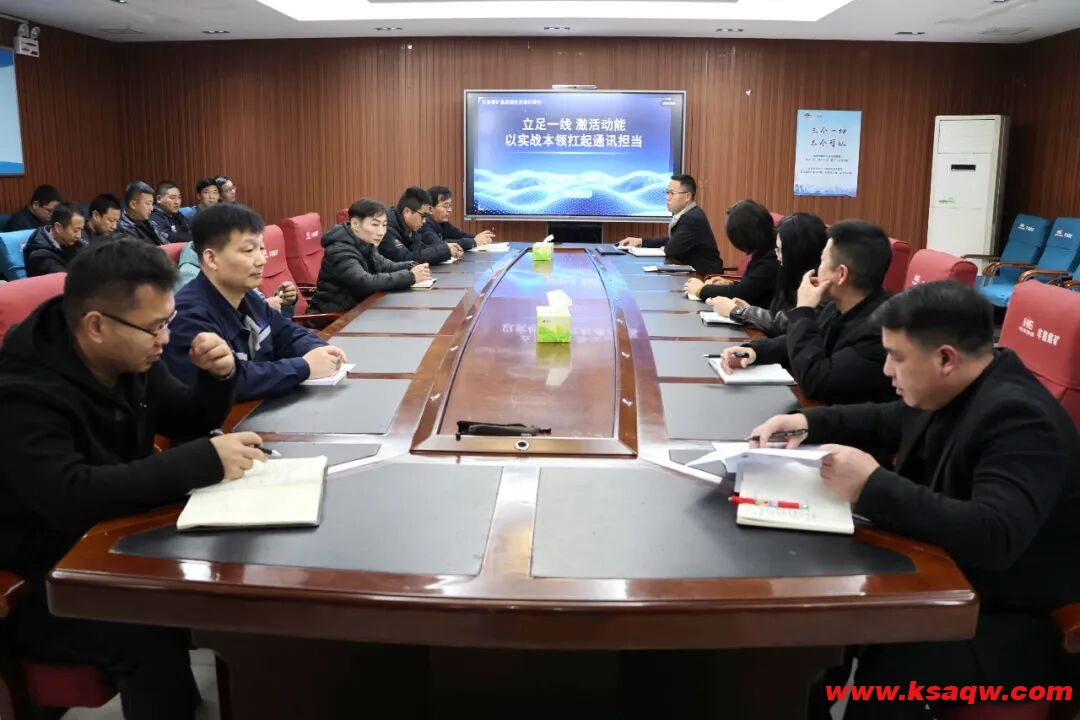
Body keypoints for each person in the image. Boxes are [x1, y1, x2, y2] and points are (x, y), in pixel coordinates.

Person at [750, 281, 1080, 720]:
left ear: (945, 358)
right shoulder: (963, 383)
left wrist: (871, 485)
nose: (887, 370)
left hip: (1008, 622)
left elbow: (994, 534)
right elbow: (887, 419)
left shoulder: (1020, 418)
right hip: (948, 579)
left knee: (879, 668)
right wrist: (807, 423)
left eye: (897, 357)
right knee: (829, 626)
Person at [0, 237, 266, 720]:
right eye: (154, 327)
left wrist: (218, 376)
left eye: (168, 321)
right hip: (45, 580)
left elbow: (187, 418)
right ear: (96, 326)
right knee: (147, 627)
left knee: (234, 579)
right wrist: (202, 461)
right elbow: (70, 495)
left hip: (116, 538)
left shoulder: (128, 356)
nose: (166, 339)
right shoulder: (21, 393)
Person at [165, 203, 345, 401]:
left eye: (261, 249)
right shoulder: (188, 315)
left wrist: (318, 349)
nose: (261, 260)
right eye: (249, 250)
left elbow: (286, 333)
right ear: (212, 259)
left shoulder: (247, 295)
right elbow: (232, 381)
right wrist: (305, 367)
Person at [719, 220, 895, 405]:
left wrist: (804, 309)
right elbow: (797, 341)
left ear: (841, 274)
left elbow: (816, 381)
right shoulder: (838, 306)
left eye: (823, 260)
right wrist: (754, 352)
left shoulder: (880, 331)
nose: (818, 268)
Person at [710, 212, 828, 337]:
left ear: (796, 252)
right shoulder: (790, 273)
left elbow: (787, 323)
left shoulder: (820, 285)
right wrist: (748, 310)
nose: (777, 256)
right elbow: (778, 316)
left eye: (780, 250)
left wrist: (739, 312)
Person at [310, 197, 431, 314]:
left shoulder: (365, 241)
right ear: (355, 224)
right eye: (375, 225)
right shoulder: (339, 250)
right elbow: (365, 283)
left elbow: (385, 265)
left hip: (359, 310)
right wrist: (410, 276)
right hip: (335, 319)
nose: (381, 232)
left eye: (384, 225)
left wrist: (410, 265)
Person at [617, 174, 725, 276]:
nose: (667, 198)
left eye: (672, 193)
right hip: (690, 273)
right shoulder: (688, 214)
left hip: (705, 277)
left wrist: (666, 247)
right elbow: (673, 241)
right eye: (667, 192)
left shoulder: (693, 218)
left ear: (687, 196)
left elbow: (671, 249)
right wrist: (640, 241)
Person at [684, 198, 779, 305]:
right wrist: (729, 284)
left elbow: (742, 293)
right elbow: (754, 285)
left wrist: (700, 289)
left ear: (746, 236)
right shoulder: (765, 246)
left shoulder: (773, 256)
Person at [380, 187, 453, 265]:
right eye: (423, 216)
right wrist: (444, 250)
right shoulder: (385, 227)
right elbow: (405, 259)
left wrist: (446, 247)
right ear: (407, 212)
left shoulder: (409, 226)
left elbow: (419, 249)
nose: (424, 221)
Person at [421, 185, 495, 250]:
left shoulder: (443, 223)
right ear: (430, 209)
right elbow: (440, 245)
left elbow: (460, 235)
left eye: (450, 205)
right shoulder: (423, 224)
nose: (450, 210)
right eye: (446, 206)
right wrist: (474, 241)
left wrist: (479, 237)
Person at [23, 202, 87, 276]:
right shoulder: (40, 257)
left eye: (81, 229)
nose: (79, 236)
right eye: (75, 230)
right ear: (58, 227)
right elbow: (64, 279)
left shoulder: (73, 241)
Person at [116, 181, 163, 245]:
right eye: (148, 203)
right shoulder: (123, 230)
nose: (152, 208)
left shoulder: (146, 220)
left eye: (152, 203)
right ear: (133, 204)